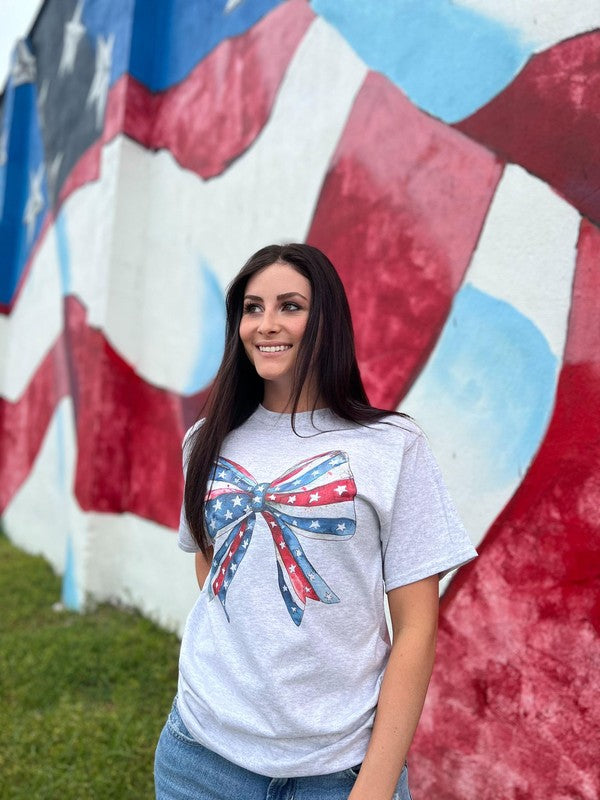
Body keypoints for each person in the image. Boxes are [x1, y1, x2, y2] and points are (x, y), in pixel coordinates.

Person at [154, 243, 477, 800]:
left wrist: (373, 787)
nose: (266, 324)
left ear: (326, 320)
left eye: (290, 306)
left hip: (340, 771)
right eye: (252, 308)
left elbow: (417, 629)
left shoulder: (392, 446)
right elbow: (213, 576)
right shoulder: (204, 442)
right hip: (200, 758)